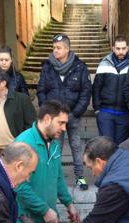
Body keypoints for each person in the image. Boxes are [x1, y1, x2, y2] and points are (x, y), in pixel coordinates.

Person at [37, 33, 91, 190]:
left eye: (59, 48)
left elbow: (85, 92)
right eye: (54, 47)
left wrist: (77, 113)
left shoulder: (80, 67)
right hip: (54, 118)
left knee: (75, 145)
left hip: (73, 115)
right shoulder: (47, 67)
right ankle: (54, 179)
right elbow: (42, 90)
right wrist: (48, 112)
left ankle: (80, 177)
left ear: (67, 49)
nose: (55, 50)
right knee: (55, 147)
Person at [92, 35, 129, 145]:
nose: (121, 51)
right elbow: (96, 87)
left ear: (128, 48)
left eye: (123, 48)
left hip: (125, 113)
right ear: (113, 48)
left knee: (121, 146)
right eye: (118, 48)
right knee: (106, 145)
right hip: (105, 112)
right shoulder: (104, 63)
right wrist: (97, 108)